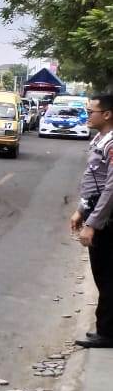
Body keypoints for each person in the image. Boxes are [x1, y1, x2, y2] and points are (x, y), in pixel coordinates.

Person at [71, 94, 113, 349]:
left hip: (107, 221)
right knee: (102, 275)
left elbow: (111, 188)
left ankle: (107, 333)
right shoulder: (100, 139)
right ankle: (104, 328)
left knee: (108, 276)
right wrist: (80, 211)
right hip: (96, 213)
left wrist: (93, 224)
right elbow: (93, 180)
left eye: (91, 111)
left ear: (107, 114)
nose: (88, 115)